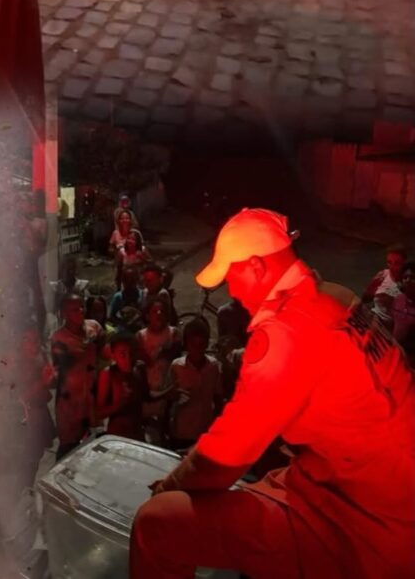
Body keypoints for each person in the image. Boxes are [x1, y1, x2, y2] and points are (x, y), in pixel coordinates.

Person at [130, 208, 415, 579]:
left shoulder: (285, 330)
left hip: (361, 523)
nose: (231, 290)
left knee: (157, 523)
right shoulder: (336, 296)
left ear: (256, 267)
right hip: (365, 484)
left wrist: (167, 487)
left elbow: (222, 456)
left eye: (232, 276)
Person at [48, 295, 104, 461]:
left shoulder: (93, 328)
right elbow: (58, 369)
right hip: (70, 398)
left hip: (91, 394)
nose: (80, 312)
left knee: (93, 441)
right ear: (64, 314)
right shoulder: (59, 338)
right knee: (69, 446)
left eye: (81, 307)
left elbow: (102, 349)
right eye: (74, 309)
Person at [161, 318, 223, 452]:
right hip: (182, 431)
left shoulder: (213, 367)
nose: (197, 349)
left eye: (201, 344)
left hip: (204, 430)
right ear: (186, 344)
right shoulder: (177, 366)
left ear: (206, 344)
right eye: (193, 344)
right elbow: (168, 398)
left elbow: (217, 398)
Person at [136, 299, 181, 444]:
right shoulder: (141, 336)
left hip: (168, 391)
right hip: (147, 392)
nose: (159, 314)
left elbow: (175, 354)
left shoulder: (173, 334)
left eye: (161, 311)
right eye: (154, 311)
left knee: (165, 432)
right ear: (147, 315)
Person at [94, 334, 149, 441]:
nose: (128, 359)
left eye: (132, 353)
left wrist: (167, 393)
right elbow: (98, 413)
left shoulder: (140, 368)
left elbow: (147, 396)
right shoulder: (108, 374)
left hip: (138, 434)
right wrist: (119, 404)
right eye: (122, 354)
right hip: (117, 436)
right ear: (113, 355)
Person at [362, 244, 407, 329]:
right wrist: (372, 287)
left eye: (397, 263)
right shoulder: (383, 275)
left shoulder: (408, 280)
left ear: (404, 262)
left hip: (392, 328)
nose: (392, 267)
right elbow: (365, 300)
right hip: (374, 319)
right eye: (389, 262)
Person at [392, 261, 415, 364]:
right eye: (405, 277)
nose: (408, 280)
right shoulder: (398, 300)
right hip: (395, 352)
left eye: (412, 278)